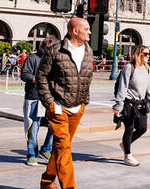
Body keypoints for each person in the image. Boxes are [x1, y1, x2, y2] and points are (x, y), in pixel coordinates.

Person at [36, 18, 94, 189]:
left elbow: (86, 78)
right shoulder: (55, 50)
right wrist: (50, 103)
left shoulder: (89, 51)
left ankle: (47, 183)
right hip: (58, 108)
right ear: (75, 31)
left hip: (77, 108)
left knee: (61, 148)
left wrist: (84, 102)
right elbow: (41, 77)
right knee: (64, 149)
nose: (90, 32)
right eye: (87, 29)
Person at [113, 45, 150, 167]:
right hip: (128, 103)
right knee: (129, 128)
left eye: (148, 54)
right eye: (145, 54)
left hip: (140, 104)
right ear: (139, 54)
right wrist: (118, 105)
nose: (148, 56)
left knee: (142, 128)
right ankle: (127, 156)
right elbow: (122, 87)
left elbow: (149, 86)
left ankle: (125, 144)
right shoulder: (129, 68)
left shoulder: (147, 69)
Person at [21, 36, 55, 166]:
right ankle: (31, 153)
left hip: (50, 98)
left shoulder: (54, 60)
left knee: (54, 125)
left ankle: (46, 149)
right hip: (34, 97)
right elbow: (25, 74)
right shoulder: (32, 58)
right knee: (33, 127)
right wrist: (39, 80)